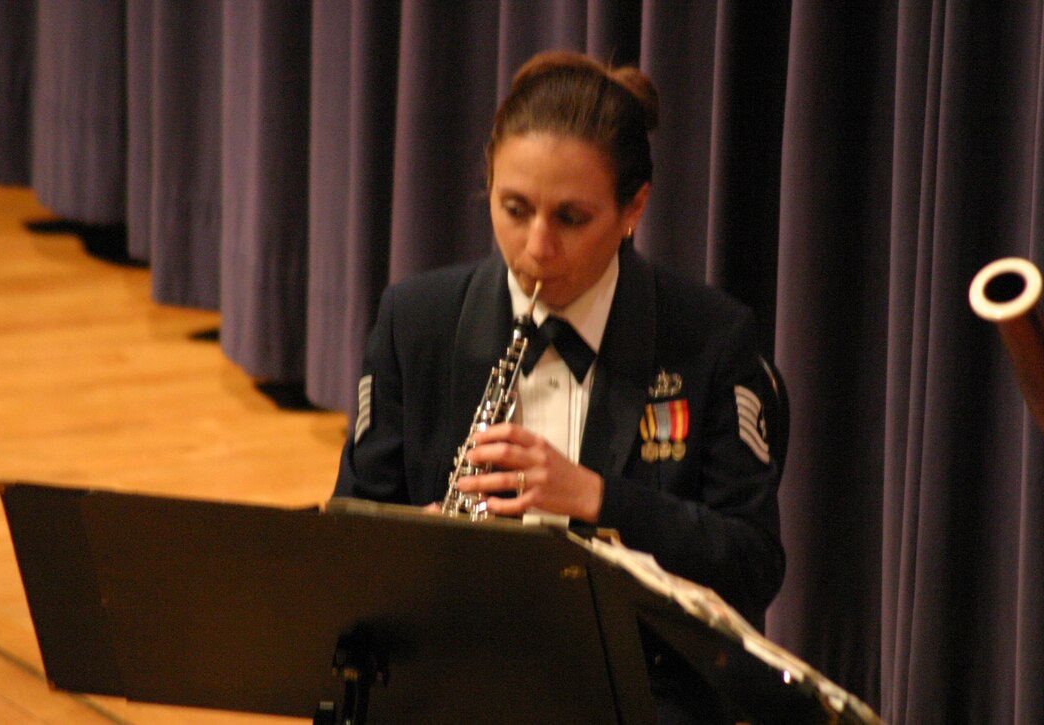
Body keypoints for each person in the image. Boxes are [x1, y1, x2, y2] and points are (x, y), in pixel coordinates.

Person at [333, 50, 785, 724]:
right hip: (451, 662)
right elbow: (348, 534)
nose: (537, 247)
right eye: (514, 208)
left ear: (633, 208)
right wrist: (408, 545)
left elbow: (751, 562)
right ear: (487, 180)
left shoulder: (710, 340)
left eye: (571, 218)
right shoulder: (415, 322)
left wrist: (599, 497)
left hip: (639, 681)